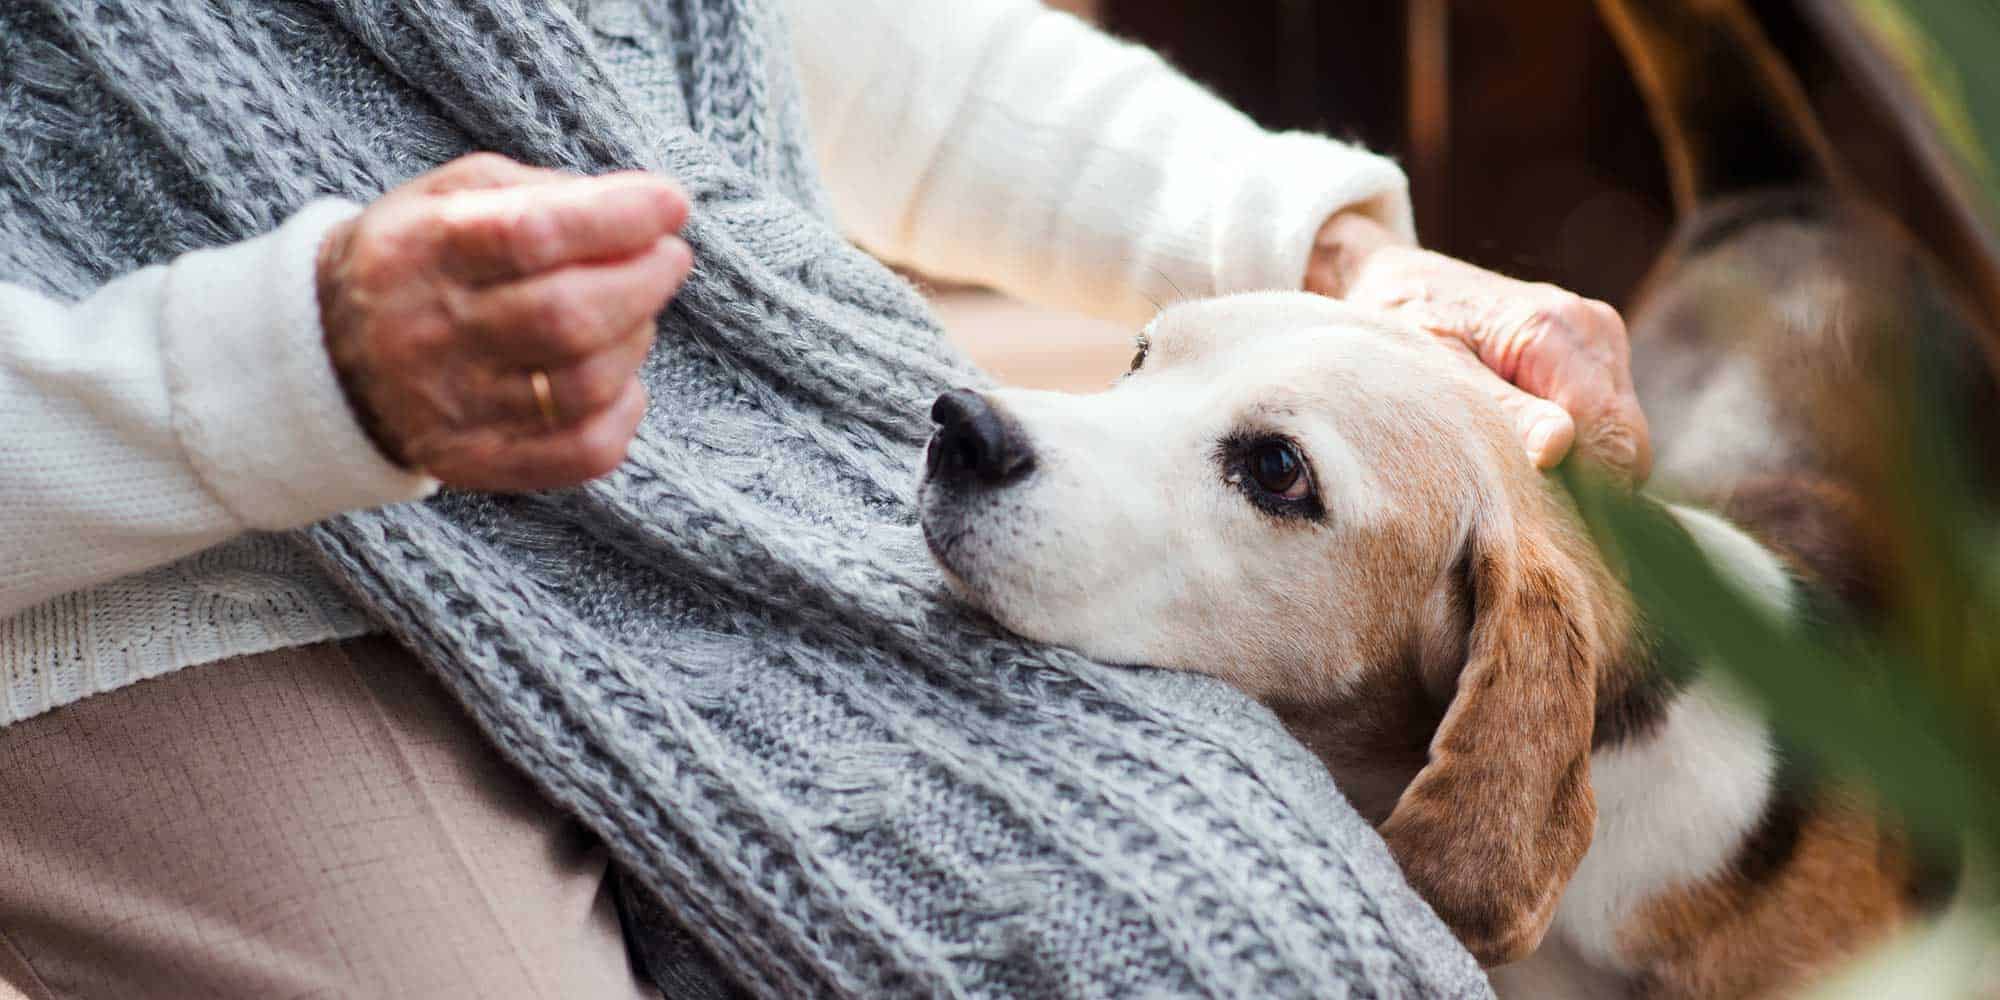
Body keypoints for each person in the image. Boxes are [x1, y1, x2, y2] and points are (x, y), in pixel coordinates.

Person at [0, 0, 1646, 996]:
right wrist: (284, 374)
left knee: (1247, 939)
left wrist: (1323, 253)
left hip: (732, 454)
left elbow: (803, 37)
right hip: (156, 563)